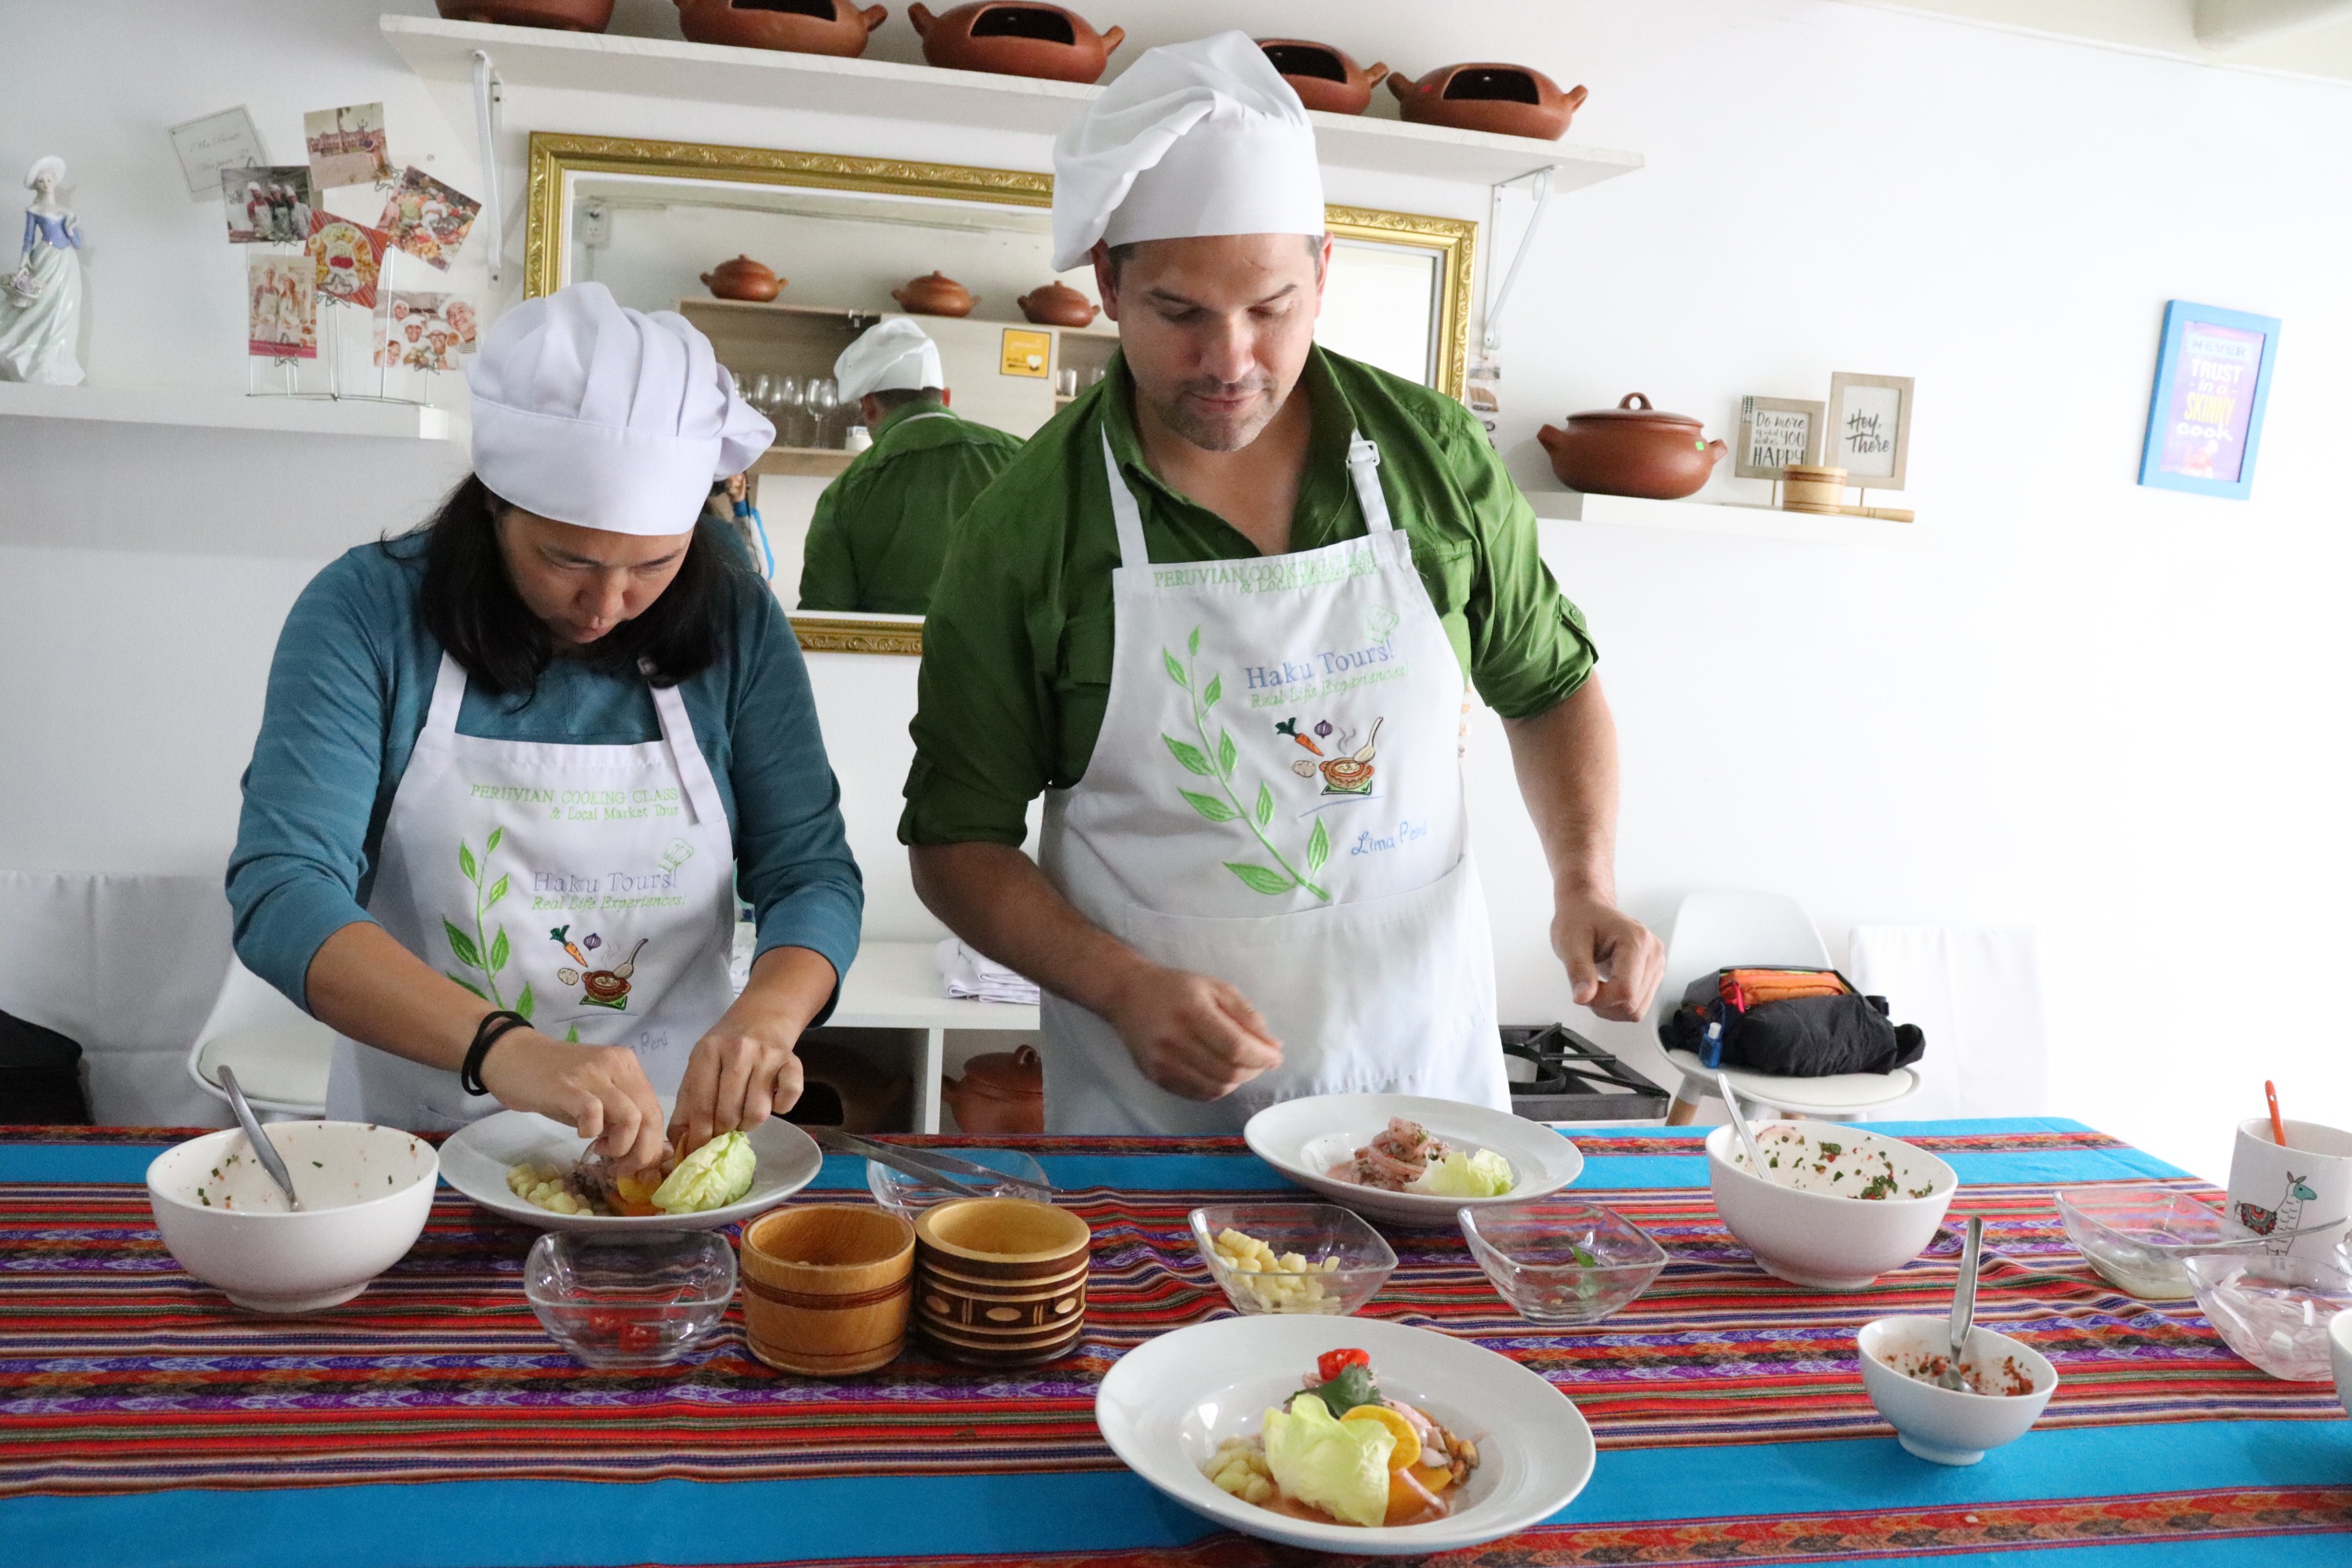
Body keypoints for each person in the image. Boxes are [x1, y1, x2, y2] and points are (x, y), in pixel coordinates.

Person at [899, 34, 1665, 1134]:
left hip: (1418, 1089)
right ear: (1108, 278)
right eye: (1179, 313)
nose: (1230, 361)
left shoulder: (1433, 458)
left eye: (1270, 308)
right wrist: (1121, 986)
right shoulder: (1026, 530)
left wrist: (1584, 881)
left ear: (1323, 270)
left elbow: (1545, 685)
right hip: (1158, 1115)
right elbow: (956, 843)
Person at [228, 281, 863, 1167]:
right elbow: (282, 889)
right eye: (567, 557)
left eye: (654, 562)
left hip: (671, 1143)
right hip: (419, 1139)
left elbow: (812, 873)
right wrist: (506, 1049)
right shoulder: (367, 613)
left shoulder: (735, 621)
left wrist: (768, 1015)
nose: (608, 604)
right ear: (493, 505)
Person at [797, 318, 1024, 615]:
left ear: (868, 405)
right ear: (945, 397)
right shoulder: (1021, 458)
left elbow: (823, 624)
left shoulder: (845, 493)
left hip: (888, 661)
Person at [0, 156, 83, 385]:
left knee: (63, 304)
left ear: (55, 182)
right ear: (36, 185)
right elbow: (28, 239)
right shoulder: (35, 209)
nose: (46, 184)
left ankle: (54, 355)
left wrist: (70, 227)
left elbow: (77, 243)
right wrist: (23, 264)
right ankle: (28, 351)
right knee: (40, 301)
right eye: (41, 181)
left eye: (49, 180)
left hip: (66, 261)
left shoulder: (65, 212)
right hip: (45, 257)